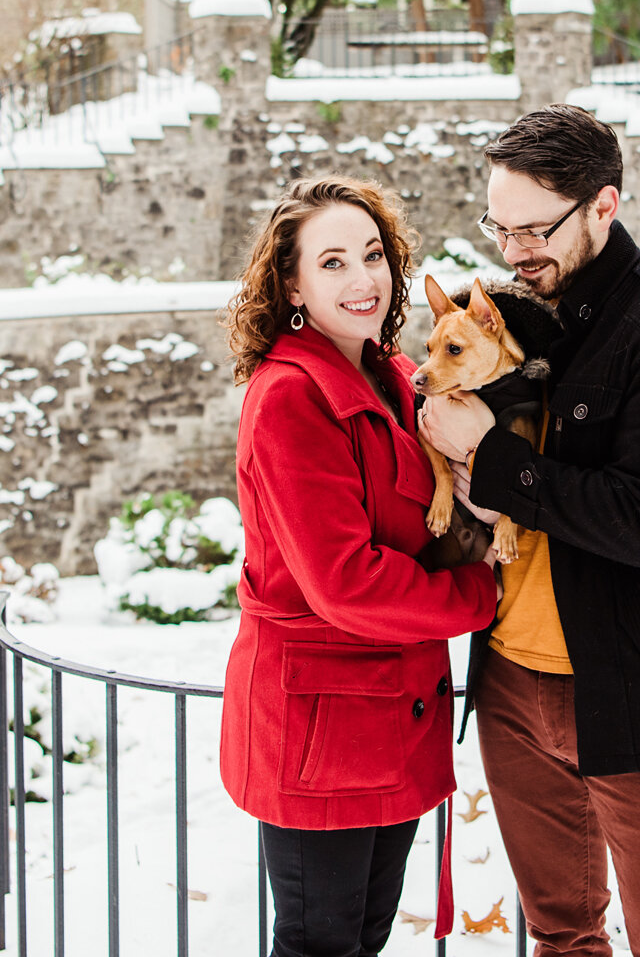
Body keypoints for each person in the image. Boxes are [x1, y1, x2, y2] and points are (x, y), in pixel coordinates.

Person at [419, 104, 640, 957]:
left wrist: (487, 458)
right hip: (512, 687)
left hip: (634, 691)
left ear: (604, 205)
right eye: (500, 224)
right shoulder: (512, 318)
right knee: (561, 936)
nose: (515, 248)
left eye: (536, 228)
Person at [219, 175, 500, 957]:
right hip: (320, 731)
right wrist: (480, 594)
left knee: (363, 939)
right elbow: (345, 580)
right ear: (292, 283)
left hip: (391, 715)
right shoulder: (288, 396)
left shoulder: (394, 374)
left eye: (372, 255)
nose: (362, 278)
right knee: (319, 944)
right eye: (333, 261)